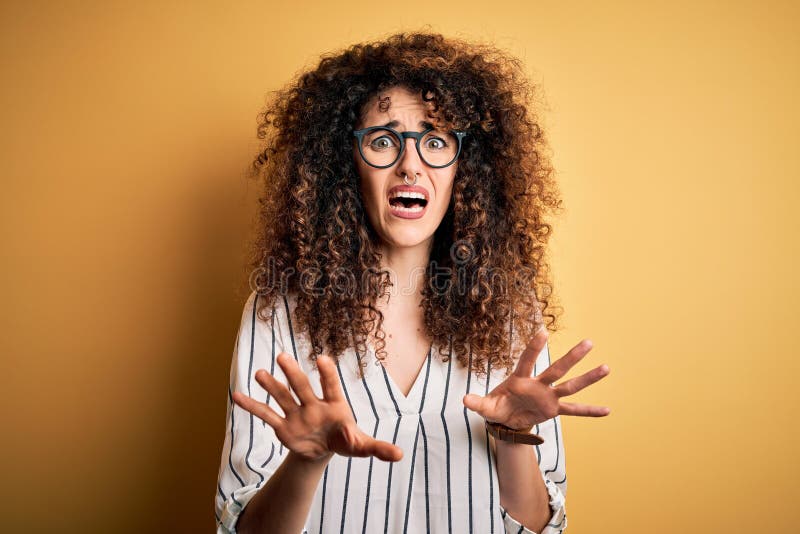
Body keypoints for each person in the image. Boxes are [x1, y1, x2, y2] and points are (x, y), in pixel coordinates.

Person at [214, 32, 611, 534]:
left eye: (436, 141)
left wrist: (512, 435)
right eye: (383, 140)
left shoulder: (509, 311)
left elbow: (536, 526)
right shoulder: (277, 311)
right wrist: (307, 460)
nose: (410, 164)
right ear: (345, 165)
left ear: (466, 170)